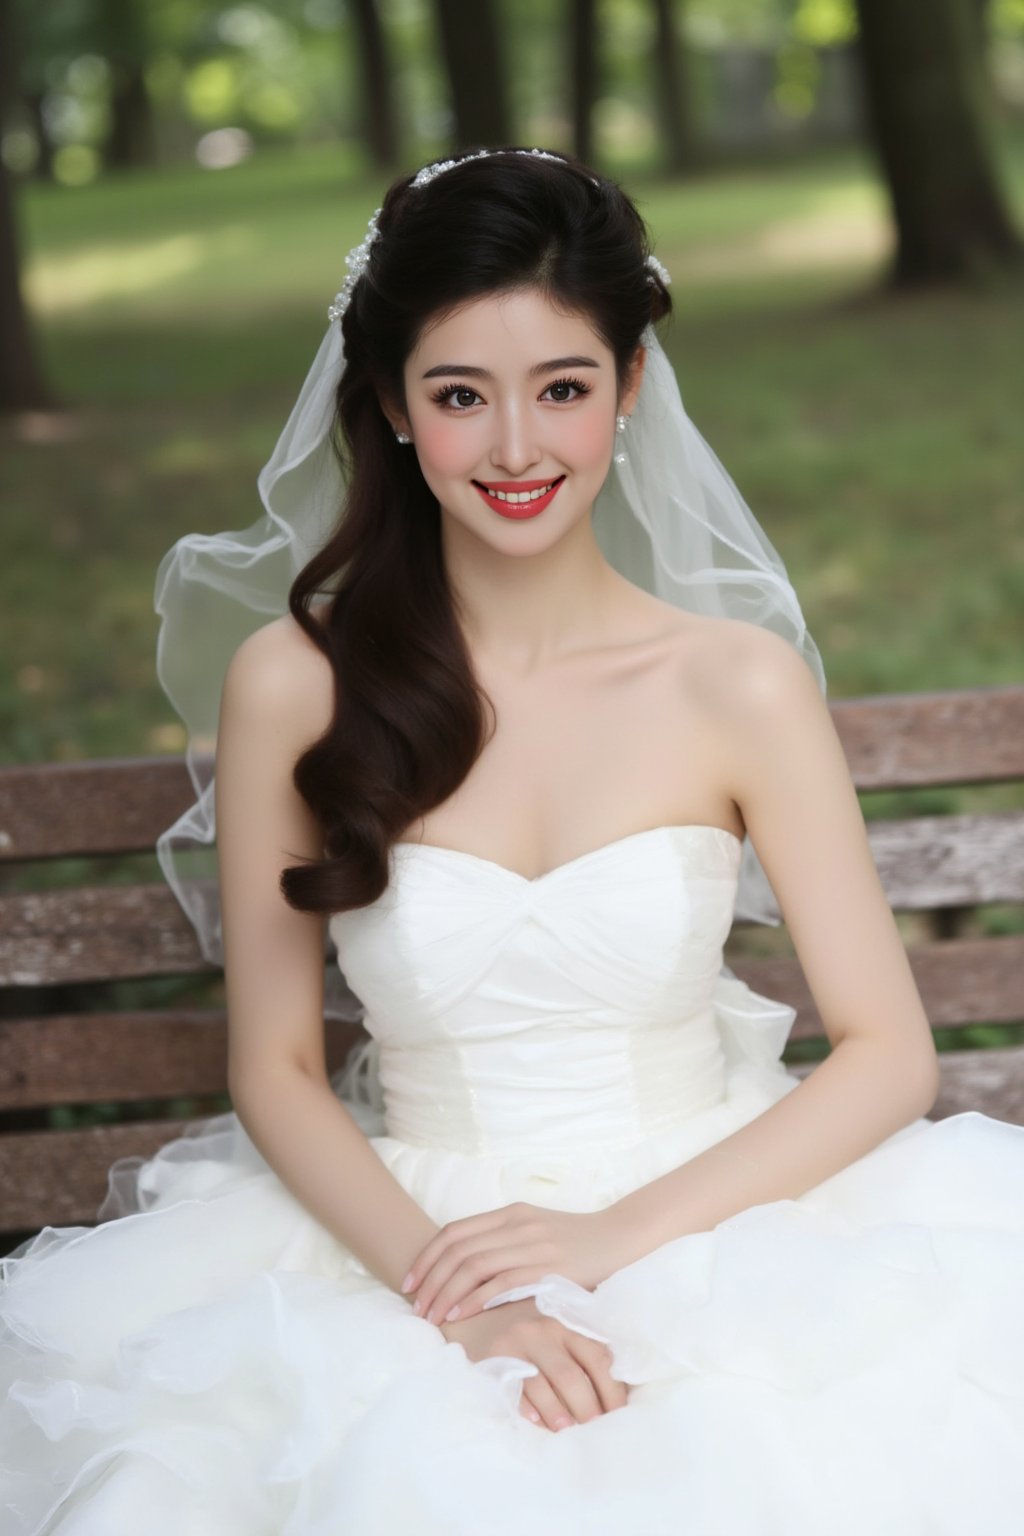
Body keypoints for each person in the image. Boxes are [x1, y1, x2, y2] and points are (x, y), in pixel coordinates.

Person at [2, 146, 1023, 1535]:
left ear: (631, 389)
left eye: (563, 388)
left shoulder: (734, 685)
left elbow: (890, 1054)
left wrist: (606, 1245)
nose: (519, 448)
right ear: (393, 411)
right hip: (412, 1234)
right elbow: (279, 1068)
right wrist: (462, 1298)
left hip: (711, 1213)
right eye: (460, 396)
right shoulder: (294, 686)